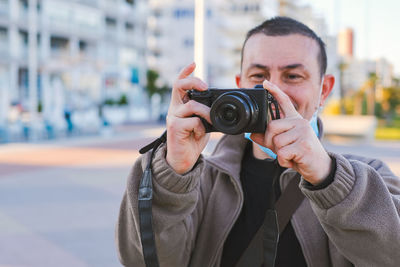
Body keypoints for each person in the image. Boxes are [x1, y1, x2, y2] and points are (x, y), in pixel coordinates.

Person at [116, 17, 400, 267]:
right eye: (258, 76)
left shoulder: (367, 180)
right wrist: (171, 174)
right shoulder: (199, 181)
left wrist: (330, 180)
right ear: (240, 83)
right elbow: (142, 261)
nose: (272, 91)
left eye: (292, 76)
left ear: (323, 89)